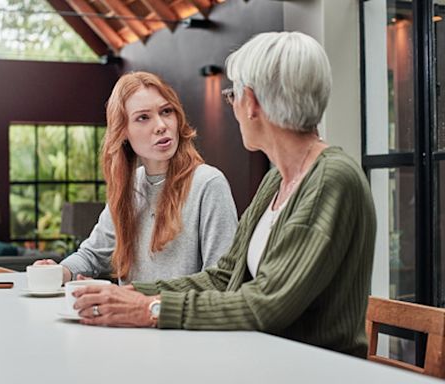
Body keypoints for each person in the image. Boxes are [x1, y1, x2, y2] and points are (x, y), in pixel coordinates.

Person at [71, 32, 377, 358]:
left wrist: (152, 309)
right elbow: (224, 276)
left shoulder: (331, 181)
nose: (232, 106)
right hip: (266, 359)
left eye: (233, 96)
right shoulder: (277, 180)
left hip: (310, 370)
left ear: (253, 103)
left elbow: (266, 304)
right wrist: (137, 294)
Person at [36, 71, 238, 285]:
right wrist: (60, 271)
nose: (161, 125)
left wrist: (144, 302)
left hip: (175, 317)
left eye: (166, 111)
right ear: (123, 131)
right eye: (143, 117)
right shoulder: (131, 186)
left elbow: (221, 280)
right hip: (125, 318)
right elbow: (92, 254)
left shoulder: (208, 183)